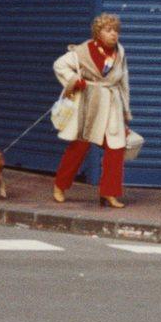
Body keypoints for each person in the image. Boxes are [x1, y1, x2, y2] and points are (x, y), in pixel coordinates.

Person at [52, 12, 132, 208]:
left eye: (116, 30)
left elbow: (124, 82)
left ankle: (109, 193)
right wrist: (74, 81)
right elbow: (60, 65)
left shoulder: (120, 52)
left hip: (112, 107)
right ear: (98, 33)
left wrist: (125, 112)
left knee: (116, 148)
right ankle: (60, 186)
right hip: (89, 106)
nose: (114, 34)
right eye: (108, 30)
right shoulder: (83, 51)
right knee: (78, 147)